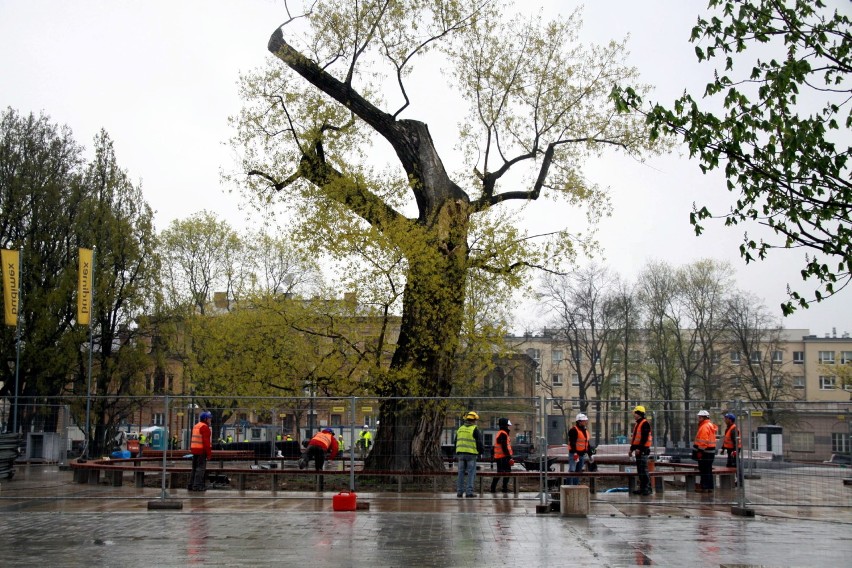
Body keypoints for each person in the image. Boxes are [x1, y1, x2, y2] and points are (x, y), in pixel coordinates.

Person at [455, 411, 484, 498]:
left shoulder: (460, 428)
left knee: (460, 473)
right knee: (471, 473)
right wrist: (481, 452)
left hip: (460, 453)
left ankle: (459, 492)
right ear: (474, 420)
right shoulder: (474, 429)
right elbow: (479, 442)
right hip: (471, 454)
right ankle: (469, 492)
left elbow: (455, 441)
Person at [629, 405, 653, 496]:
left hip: (643, 451)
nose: (634, 414)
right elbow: (636, 439)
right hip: (639, 451)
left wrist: (639, 448)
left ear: (639, 414)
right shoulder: (638, 423)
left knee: (644, 470)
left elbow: (644, 438)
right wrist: (632, 449)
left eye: (635, 413)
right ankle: (643, 488)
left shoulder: (644, 423)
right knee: (640, 470)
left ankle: (647, 488)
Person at [693, 409, 718, 493]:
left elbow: (703, 441)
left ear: (703, 417)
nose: (698, 418)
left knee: (704, 470)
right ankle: (709, 487)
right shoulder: (710, 425)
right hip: (710, 452)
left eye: (699, 417)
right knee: (708, 470)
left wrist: (700, 451)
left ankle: (705, 487)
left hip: (705, 452)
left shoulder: (704, 426)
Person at [188, 411, 213, 492]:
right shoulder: (205, 427)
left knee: (194, 468)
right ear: (206, 419)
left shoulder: (196, 426)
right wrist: (209, 454)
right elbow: (206, 442)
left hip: (194, 450)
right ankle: (197, 486)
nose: (210, 420)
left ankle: (191, 485)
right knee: (200, 469)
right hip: (201, 451)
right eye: (209, 418)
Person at [490, 417, 513, 494]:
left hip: (500, 457)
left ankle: (494, 488)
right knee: (506, 472)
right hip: (503, 457)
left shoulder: (501, 433)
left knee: (500, 472)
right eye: (507, 425)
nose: (508, 426)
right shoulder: (503, 433)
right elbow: (504, 446)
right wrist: (509, 456)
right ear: (505, 425)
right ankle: (503, 488)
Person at [565, 413, 590, 486]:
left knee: (578, 471)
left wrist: (590, 454)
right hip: (574, 454)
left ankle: (575, 486)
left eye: (586, 420)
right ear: (579, 421)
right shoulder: (573, 430)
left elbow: (587, 443)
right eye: (584, 421)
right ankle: (568, 486)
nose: (585, 422)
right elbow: (572, 442)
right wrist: (575, 453)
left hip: (581, 454)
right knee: (572, 470)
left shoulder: (585, 431)